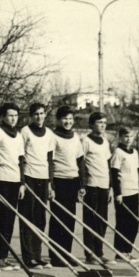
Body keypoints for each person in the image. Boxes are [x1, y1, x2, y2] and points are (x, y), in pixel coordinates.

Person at [18, 103, 56, 269]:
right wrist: (22, 181)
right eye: (36, 114)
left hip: (43, 178)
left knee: (40, 219)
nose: (39, 117)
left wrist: (50, 184)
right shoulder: (25, 132)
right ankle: (28, 257)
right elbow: (20, 157)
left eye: (42, 114)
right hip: (29, 177)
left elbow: (50, 161)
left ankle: (37, 255)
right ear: (31, 116)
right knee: (28, 217)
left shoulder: (49, 134)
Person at [47, 105, 85, 267]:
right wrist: (51, 184)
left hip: (72, 181)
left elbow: (80, 161)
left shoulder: (75, 137)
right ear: (58, 120)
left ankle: (66, 253)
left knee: (70, 220)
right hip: (59, 181)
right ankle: (56, 255)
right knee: (58, 219)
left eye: (70, 119)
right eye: (65, 119)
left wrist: (81, 184)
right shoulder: (53, 136)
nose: (68, 122)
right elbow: (50, 161)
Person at [0, 102, 24, 271]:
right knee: (1, 220)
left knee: (10, 222)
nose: (13, 118)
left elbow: (21, 161)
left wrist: (22, 183)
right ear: (3, 116)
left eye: (15, 115)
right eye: (10, 115)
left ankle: (3, 256)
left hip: (15, 180)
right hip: (2, 180)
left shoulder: (18, 135)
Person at [81, 111, 114, 264]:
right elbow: (81, 163)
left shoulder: (106, 142)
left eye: (104, 123)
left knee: (102, 220)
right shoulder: (86, 141)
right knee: (90, 220)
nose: (102, 125)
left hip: (104, 185)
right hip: (91, 185)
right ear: (91, 125)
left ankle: (99, 252)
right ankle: (90, 254)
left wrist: (110, 187)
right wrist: (82, 184)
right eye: (99, 122)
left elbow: (108, 165)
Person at [110, 126, 139, 262]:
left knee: (133, 224)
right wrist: (118, 193)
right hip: (123, 193)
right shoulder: (118, 152)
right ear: (120, 137)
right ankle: (120, 252)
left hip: (134, 191)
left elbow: (138, 172)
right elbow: (113, 173)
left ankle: (128, 251)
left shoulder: (134, 152)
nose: (128, 139)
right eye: (125, 136)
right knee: (123, 223)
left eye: (130, 136)